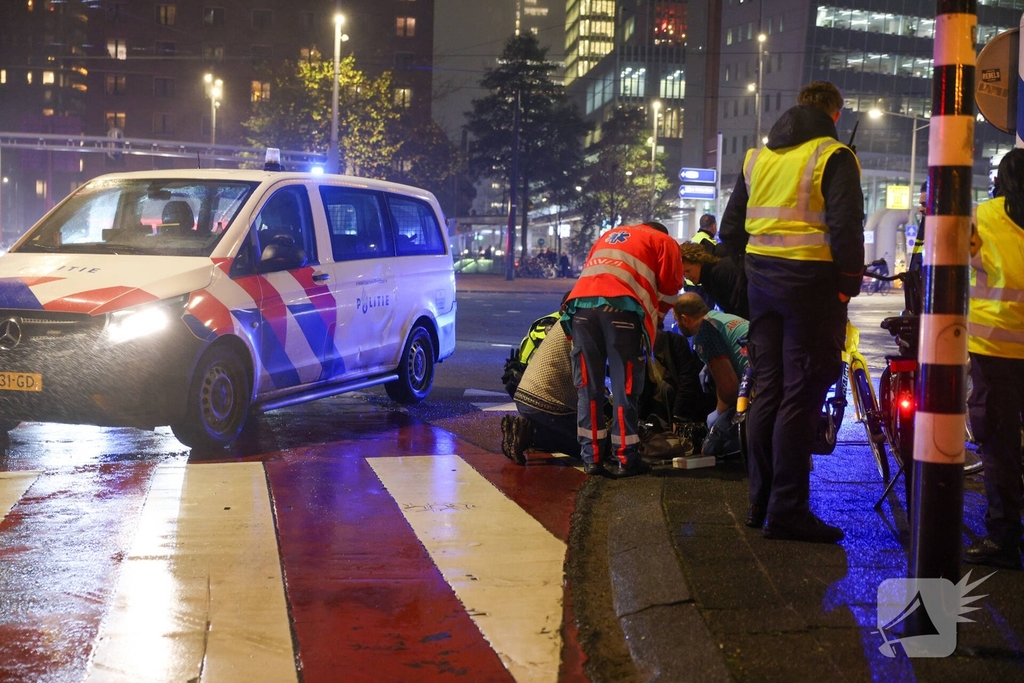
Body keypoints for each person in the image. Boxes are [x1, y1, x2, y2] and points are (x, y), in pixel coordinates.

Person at [719, 80, 864, 543]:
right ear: (833, 113)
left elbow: (729, 230)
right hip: (813, 288)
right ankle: (788, 511)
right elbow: (845, 227)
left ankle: (760, 504)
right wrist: (847, 286)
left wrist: (749, 275)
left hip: (764, 285)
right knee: (802, 396)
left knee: (769, 392)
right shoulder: (834, 156)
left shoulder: (758, 157)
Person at [562, 220, 684, 477]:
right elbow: (671, 288)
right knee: (624, 387)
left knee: (588, 387)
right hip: (622, 310)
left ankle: (591, 458)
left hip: (580, 308)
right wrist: (656, 320)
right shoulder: (664, 241)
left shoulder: (609, 234)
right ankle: (625, 458)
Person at [964, 148, 1024, 570]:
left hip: (995, 348)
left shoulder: (982, 216)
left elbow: (951, 262)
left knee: (999, 447)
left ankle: (1003, 538)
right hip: (998, 349)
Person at [672, 293, 749, 456]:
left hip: (759, 389)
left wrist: (717, 414)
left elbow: (729, 390)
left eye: (677, 320)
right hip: (775, 377)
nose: (677, 325)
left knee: (711, 448)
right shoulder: (719, 318)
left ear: (685, 319)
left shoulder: (703, 333)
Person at [502, 321, 580, 465]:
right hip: (545, 401)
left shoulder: (562, 321)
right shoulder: (585, 328)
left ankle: (524, 431)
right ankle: (531, 435)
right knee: (589, 447)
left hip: (524, 392)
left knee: (560, 432)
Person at [679, 241, 749, 318]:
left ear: (699, 261)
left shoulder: (719, 273)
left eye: (688, 271)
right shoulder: (709, 277)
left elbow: (739, 308)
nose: (687, 277)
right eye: (683, 274)